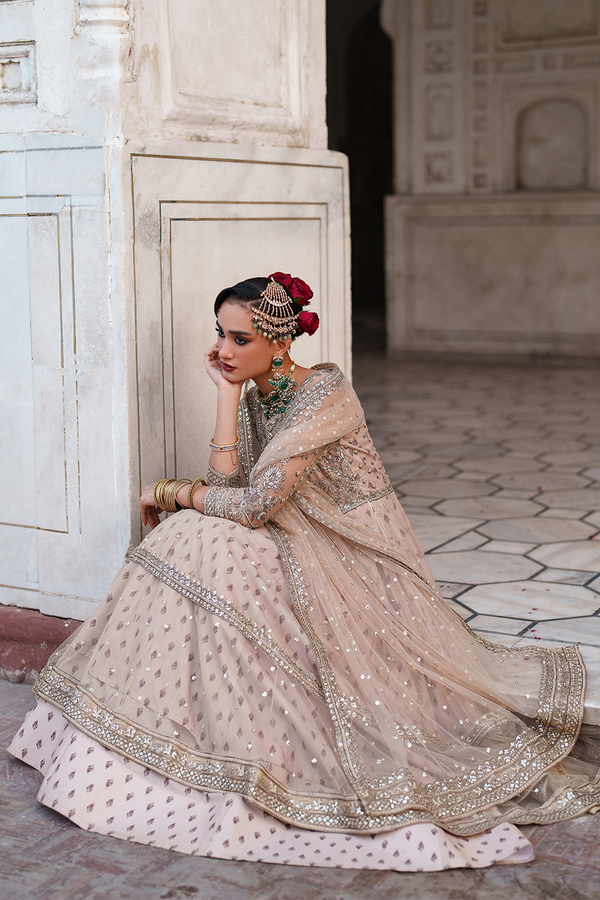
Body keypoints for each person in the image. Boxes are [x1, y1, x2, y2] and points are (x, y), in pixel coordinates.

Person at [9, 273, 600, 871]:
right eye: (220, 334)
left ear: (280, 342)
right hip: (299, 534)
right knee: (192, 538)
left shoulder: (324, 393)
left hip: (359, 549)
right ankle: (185, 732)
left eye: (239, 339)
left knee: (193, 531)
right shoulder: (257, 397)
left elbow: (251, 506)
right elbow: (229, 489)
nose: (222, 350)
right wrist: (225, 397)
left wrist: (172, 491)